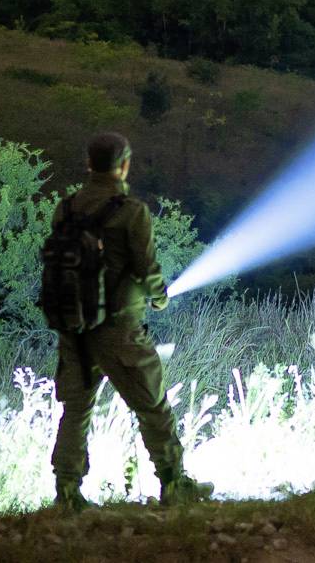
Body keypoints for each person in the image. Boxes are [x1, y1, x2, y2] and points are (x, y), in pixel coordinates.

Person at [48, 131, 212, 509]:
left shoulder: (66, 208)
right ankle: (174, 486)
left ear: (89, 164)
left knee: (76, 410)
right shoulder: (131, 211)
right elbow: (146, 267)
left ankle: (67, 492)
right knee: (153, 405)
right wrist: (159, 297)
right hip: (118, 329)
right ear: (124, 164)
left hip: (73, 328)